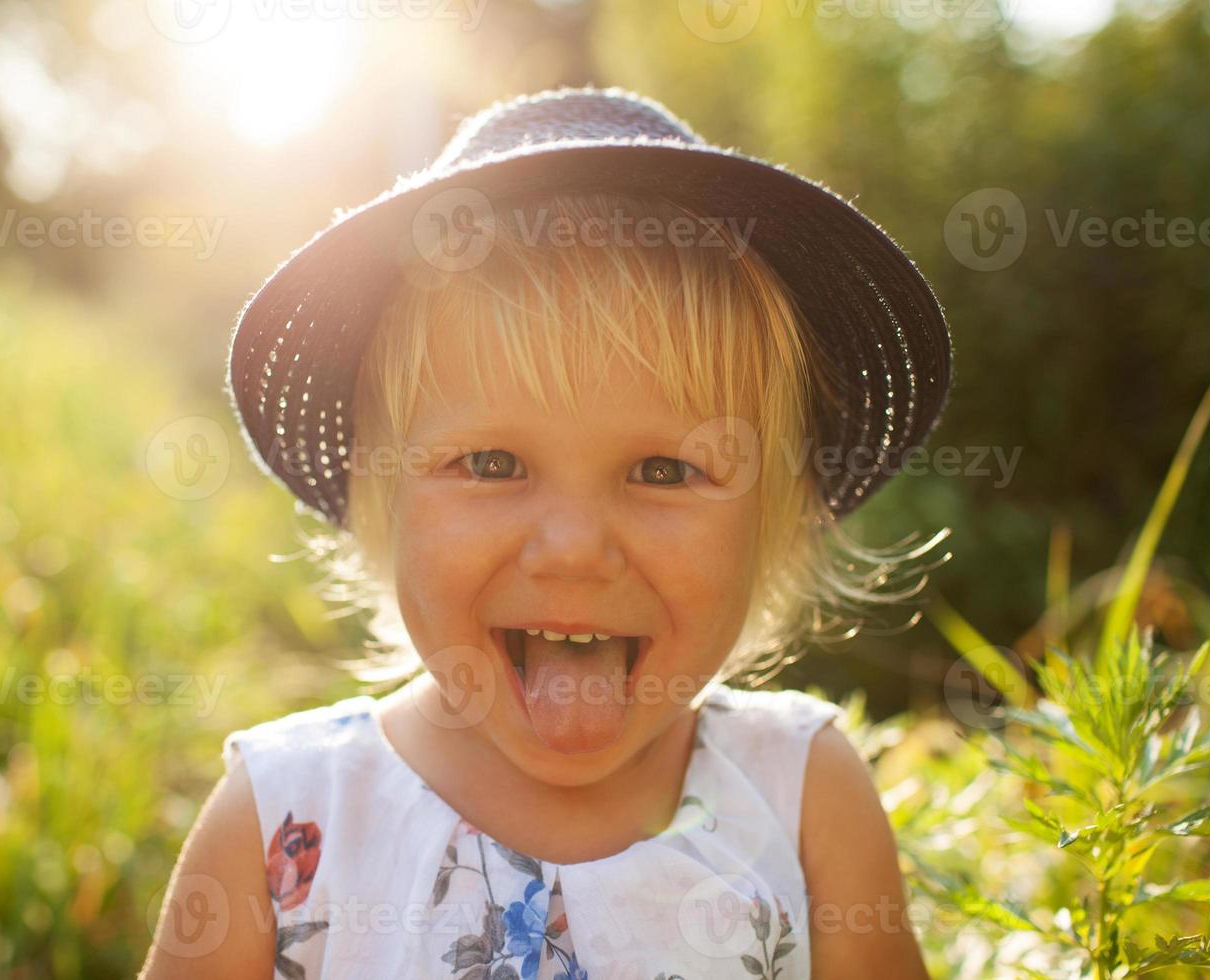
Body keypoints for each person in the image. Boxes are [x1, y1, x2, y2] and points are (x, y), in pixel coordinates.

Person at [141, 84, 953, 979]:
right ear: (385, 500)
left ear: (772, 524)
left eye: (663, 471)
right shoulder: (287, 821)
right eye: (491, 464)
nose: (572, 545)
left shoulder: (803, 798)